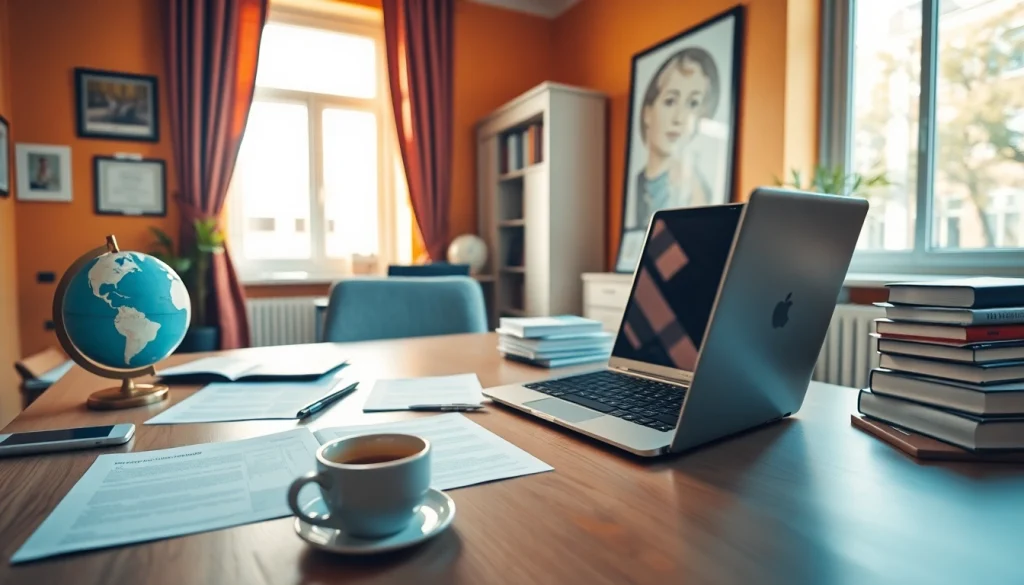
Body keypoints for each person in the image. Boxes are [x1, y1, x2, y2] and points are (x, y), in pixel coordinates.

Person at [630, 47, 720, 230]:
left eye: (693, 104)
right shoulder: (636, 186)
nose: (680, 118)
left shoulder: (697, 192)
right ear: (647, 112)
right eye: (670, 101)